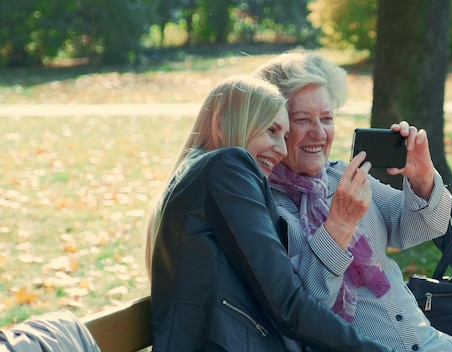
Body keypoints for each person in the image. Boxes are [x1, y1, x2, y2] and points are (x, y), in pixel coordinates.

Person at [145, 75, 394, 351]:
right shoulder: (227, 167)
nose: (281, 150)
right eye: (271, 131)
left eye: (285, 136)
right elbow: (287, 304)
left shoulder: (197, 175)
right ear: (220, 124)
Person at [254, 53, 452, 352]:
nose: (319, 133)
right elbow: (300, 308)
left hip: (431, 343)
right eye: (302, 120)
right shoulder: (266, 206)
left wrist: (423, 178)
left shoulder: (341, 177)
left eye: (327, 118)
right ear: (274, 126)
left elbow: (424, 228)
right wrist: (340, 224)